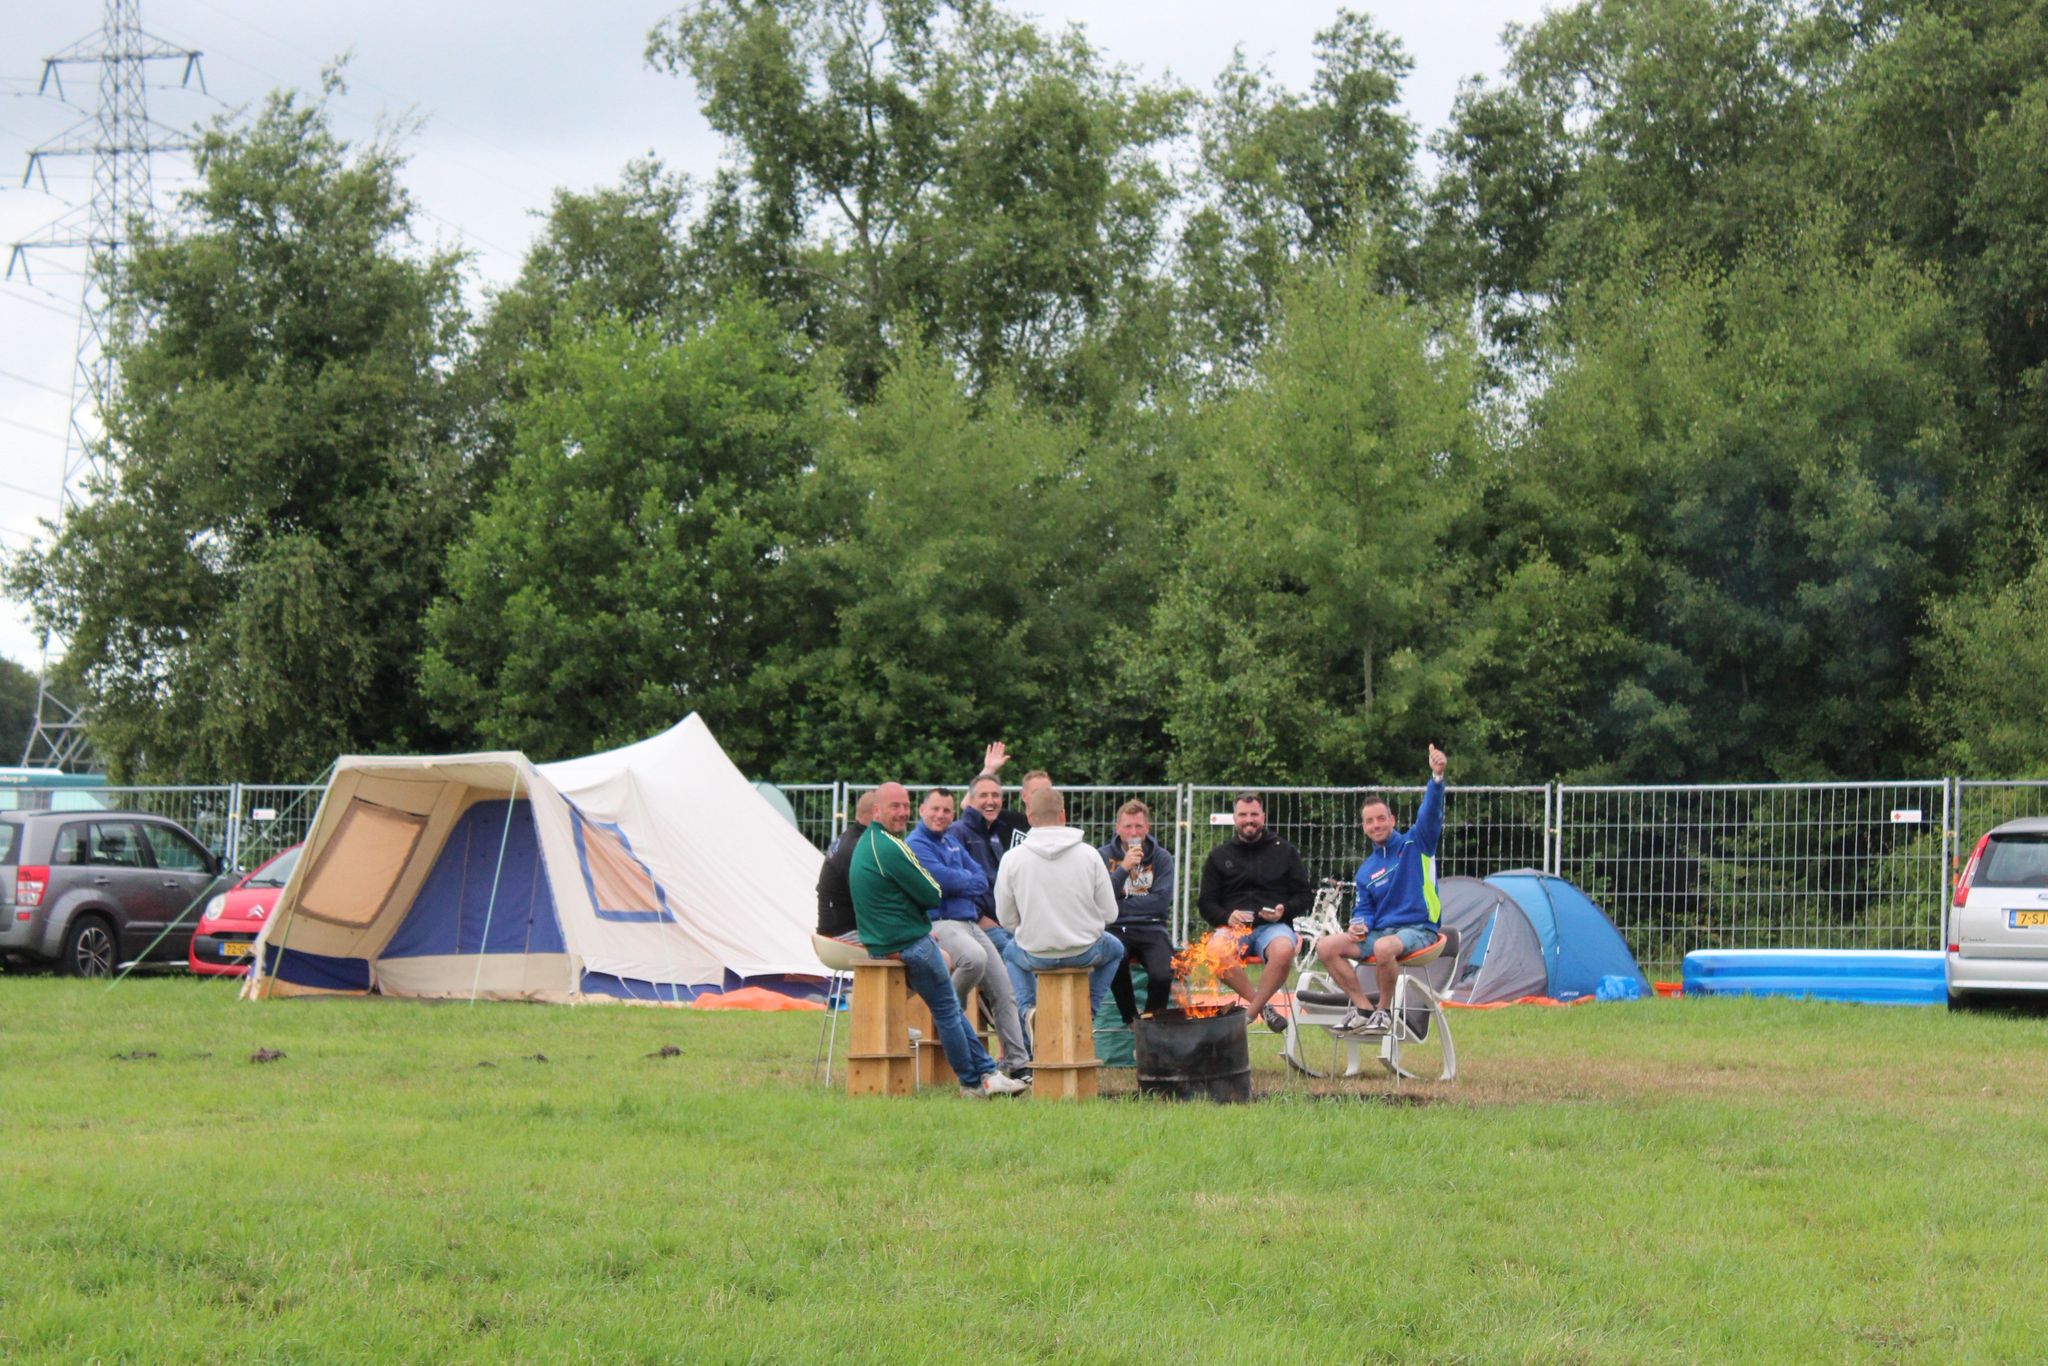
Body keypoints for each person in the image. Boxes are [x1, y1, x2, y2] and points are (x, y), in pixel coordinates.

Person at [849, 782, 1027, 1097]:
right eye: (895, 806)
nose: (902, 812)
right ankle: (976, 1079)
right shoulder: (897, 846)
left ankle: (987, 1072)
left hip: (890, 942)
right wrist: (947, 891)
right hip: (911, 943)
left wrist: (954, 885)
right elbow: (933, 891)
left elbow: (977, 879)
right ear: (876, 810)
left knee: (952, 1007)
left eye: (905, 805)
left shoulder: (871, 843)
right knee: (950, 1008)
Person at [1315, 745, 1449, 1034]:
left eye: (1381, 818)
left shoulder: (1417, 842)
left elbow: (1431, 813)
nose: (1376, 825)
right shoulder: (1366, 870)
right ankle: (1363, 1008)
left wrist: (1437, 779)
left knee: (1383, 946)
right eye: (1369, 821)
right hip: (1379, 934)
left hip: (1419, 930)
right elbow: (1364, 910)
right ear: (1364, 827)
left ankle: (1384, 1012)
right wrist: (1358, 926)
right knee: (1325, 946)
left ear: (1392, 820)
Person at [905, 787, 1032, 1073]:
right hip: (939, 923)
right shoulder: (915, 844)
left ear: (954, 814)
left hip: (970, 923)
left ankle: (1018, 1064)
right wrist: (960, 881)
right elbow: (939, 882)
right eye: (935, 809)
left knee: (1005, 991)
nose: (940, 815)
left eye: (946, 810)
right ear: (922, 810)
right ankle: (947, 1010)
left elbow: (980, 880)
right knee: (974, 958)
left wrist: (956, 882)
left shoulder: (951, 841)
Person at [995, 785, 1124, 1016]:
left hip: (1034, 953)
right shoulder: (1090, 855)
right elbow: (1110, 914)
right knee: (1115, 948)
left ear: (1029, 817)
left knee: (1010, 954)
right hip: (1084, 950)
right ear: (1063, 814)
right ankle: (1087, 1011)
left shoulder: (1011, 858)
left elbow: (1006, 920)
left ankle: (1029, 1011)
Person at [1196, 792, 1312, 1033]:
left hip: (1274, 927)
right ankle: (1264, 1007)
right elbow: (1206, 903)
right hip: (1233, 929)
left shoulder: (1285, 851)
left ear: (1263, 817)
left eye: (1254, 814)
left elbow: (1304, 896)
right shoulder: (1219, 856)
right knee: (1215, 951)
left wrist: (1283, 911)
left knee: (1284, 951)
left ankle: (1248, 1015)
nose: (1249, 820)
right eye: (1243, 815)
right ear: (1234, 818)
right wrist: (1227, 917)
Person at [1096, 799, 1176, 1023]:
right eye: (1128, 826)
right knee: (1115, 960)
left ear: (1147, 828)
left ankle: (1150, 1023)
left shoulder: (1161, 858)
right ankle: (1131, 1019)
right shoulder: (1102, 856)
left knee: (1163, 974)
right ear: (1117, 828)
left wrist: (1121, 903)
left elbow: (1160, 904)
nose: (1133, 832)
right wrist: (1123, 868)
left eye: (1139, 826)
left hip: (1152, 926)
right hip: (1115, 927)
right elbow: (1100, 899)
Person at [815, 789, 879, 943]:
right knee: (920, 948)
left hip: (833, 929)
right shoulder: (860, 847)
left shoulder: (849, 838)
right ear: (876, 813)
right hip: (844, 935)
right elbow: (872, 902)